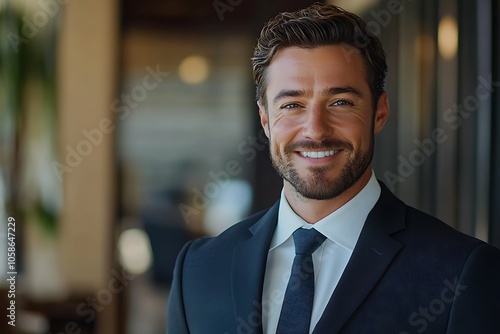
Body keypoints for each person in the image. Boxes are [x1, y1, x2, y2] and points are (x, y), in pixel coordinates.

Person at [166, 3, 500, 333]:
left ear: (379, 112)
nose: (315, 130)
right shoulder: (198, 269)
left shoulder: (461, 273)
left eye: (340, 102)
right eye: (292, 105)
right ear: (266, 120)